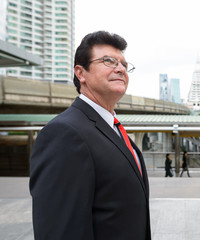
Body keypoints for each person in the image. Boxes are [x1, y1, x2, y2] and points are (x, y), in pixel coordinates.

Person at [29, 31, 151, 240]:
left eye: (123, 63)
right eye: (108, 61)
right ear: (81, 73)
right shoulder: (64, 134)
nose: (120, 68)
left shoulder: (113, 128)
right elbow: (60, 231)